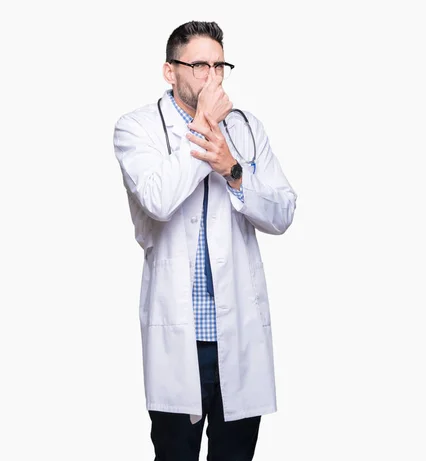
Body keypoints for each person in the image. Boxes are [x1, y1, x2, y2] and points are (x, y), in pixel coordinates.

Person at [113, 20, 297, 461]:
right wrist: (203, 124)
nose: (211, 77)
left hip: (238, 335)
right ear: (169, 71)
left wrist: (234, 170)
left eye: (219, 65)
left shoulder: (248, 127)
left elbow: (283, 211)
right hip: (180, 339)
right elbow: (158, 199)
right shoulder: (136, 128)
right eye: (198, 65)